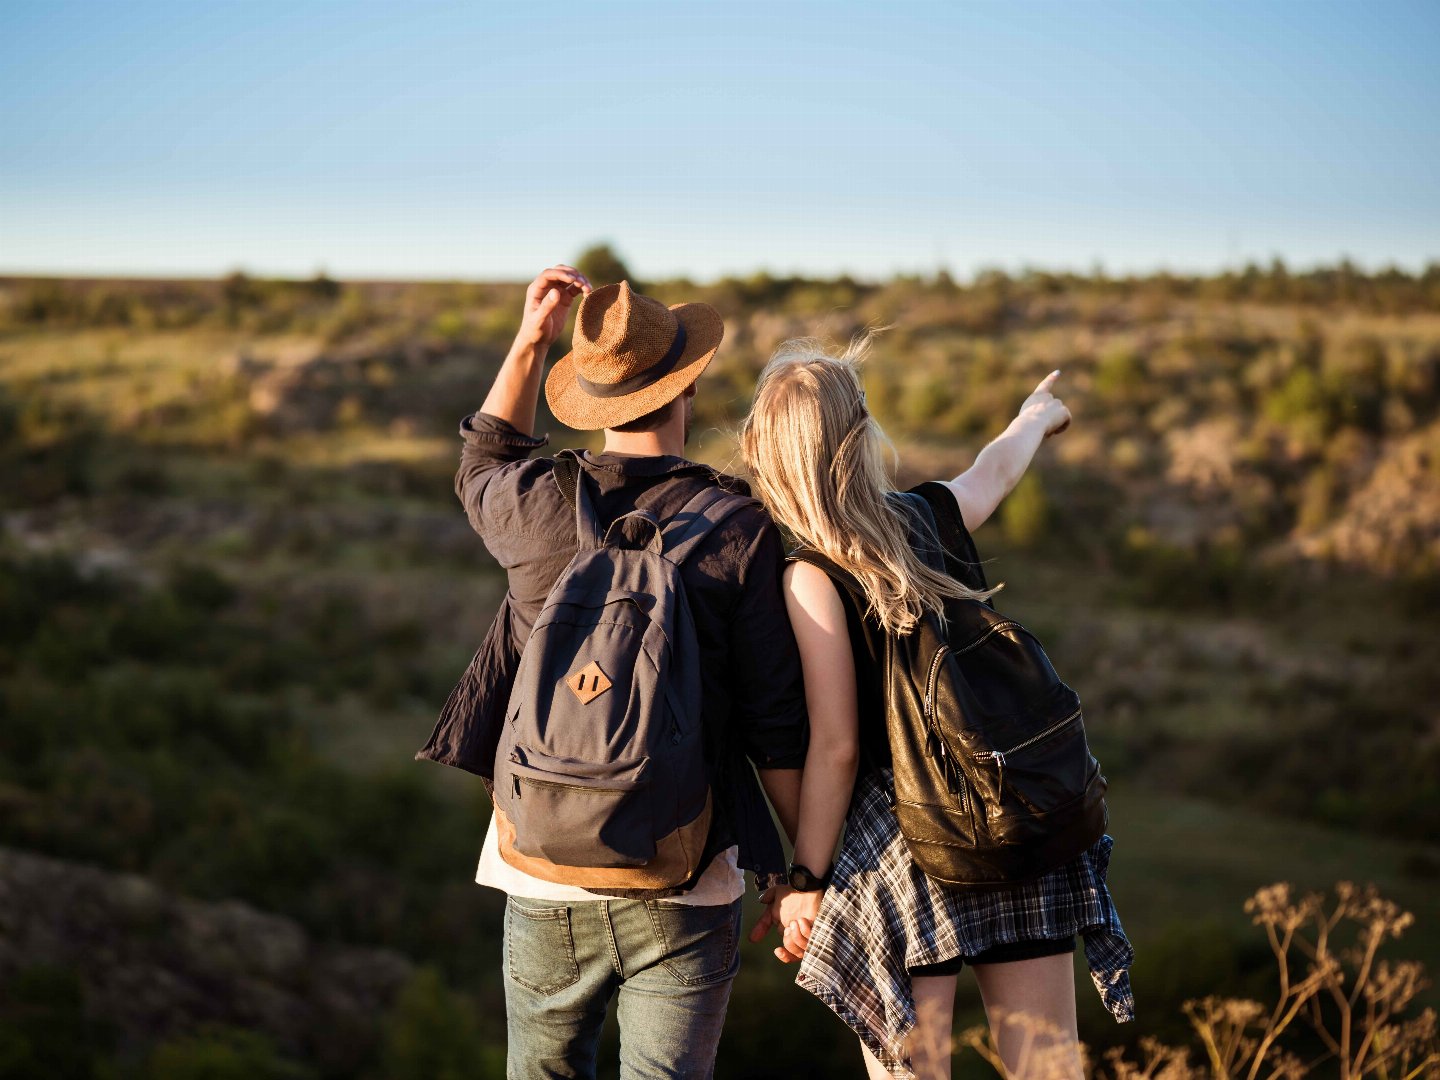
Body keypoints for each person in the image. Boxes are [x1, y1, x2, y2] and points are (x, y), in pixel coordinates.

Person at [415, 267, 809, 1079]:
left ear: (593, 401)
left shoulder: (532, 504)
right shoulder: (741, 527)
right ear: (686, 387)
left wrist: (532, 337)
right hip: (685, 878)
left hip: (539, 862)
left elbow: (482, 455)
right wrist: (797, 872)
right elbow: (777, 725)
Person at [740, 336, 1134, 1080]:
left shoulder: (809, 580)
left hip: (910, 855)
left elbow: (836, 748)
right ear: (860, 439)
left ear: (770, 453)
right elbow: (994, 471)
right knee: (1047, 1066)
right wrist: (1034, 417)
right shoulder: (931, 516)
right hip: (1016, 820)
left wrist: (805, 880)